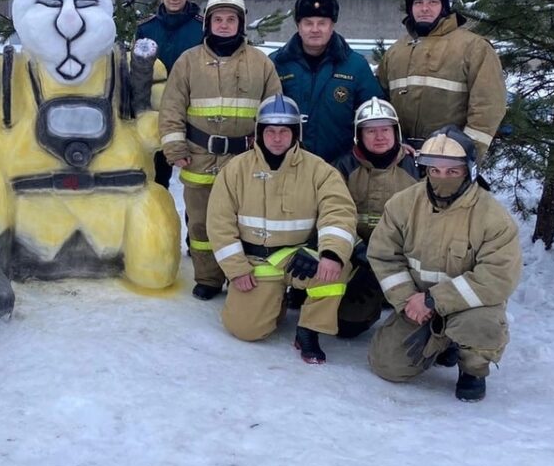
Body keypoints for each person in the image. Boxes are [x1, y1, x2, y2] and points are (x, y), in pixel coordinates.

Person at [367, 125, 522, 402]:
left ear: (469, 170)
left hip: (470, 307)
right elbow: (383, 256)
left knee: (482, 326)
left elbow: (498, 277)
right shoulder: (402, 205)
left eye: (453, 171)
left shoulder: (493, 217)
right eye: (434, 170)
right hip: (417, 304)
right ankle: (442, 341)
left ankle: (473, 368)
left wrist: (434, 300)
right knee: (387, 365)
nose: (442, 178)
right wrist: (407, 300)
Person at [206, 93, 358, 364]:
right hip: (254, 262)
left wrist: (331, 254)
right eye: (271, 131)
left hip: (297, 256)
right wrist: (237, 269)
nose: (277, 138)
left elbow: (339, 212)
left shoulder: (319, 170)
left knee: (335, 270)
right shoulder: (236, 170)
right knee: (246, 329)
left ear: (295, 133)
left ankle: (309, 330)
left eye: (284, 131)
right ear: (259, 133)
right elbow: (219, 223)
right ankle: (274, 300)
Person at [159, 0, 281, 299]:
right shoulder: (188, 62)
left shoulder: (261, 64)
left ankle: (240, 276)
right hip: (199, 158)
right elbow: (171, 107)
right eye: (218, 19)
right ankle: (208, 278)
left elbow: (275, 111)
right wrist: (175, 147)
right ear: (208, 24)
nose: (224, 24)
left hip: (245, 160)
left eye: (231, 19)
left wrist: (270, 154)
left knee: (243, 223)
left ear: (241, 24)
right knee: (201, 226)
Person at [377, 0, 507, 159]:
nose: (424, 8)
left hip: (448, 160)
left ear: (445, 6)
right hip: (401, 158)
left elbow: (488, 108)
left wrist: (465, 154)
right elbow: (380, 102)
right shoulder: (396, 51)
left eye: (433, 2)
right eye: (418, 2)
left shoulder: (474, 47)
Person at [331, 97, 421, 338]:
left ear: (396, 132)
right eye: (371, 131)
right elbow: (331, 216)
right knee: (346, 326)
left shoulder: (417, 168)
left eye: (385, 129)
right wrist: (359, 253)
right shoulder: (343, 167)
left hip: (404, 259)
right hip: (359, 259)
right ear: (359, 135)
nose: (379, 136)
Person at [271, 0, 382, 164]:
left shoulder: (355, 66)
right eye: (308, 23)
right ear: (298, 26)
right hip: (286, 165)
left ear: (332, 26)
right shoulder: (276, 64)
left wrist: (398, 141)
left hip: (340, 167)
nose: (315, 29)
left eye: (322, 23)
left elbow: (377, 114)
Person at [135, 0, 203, 187]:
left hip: (193, 109)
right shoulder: (147, 29)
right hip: (158, 111)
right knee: (155, 177)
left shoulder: (201, 28)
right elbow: (139, 74)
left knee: (197, 179)